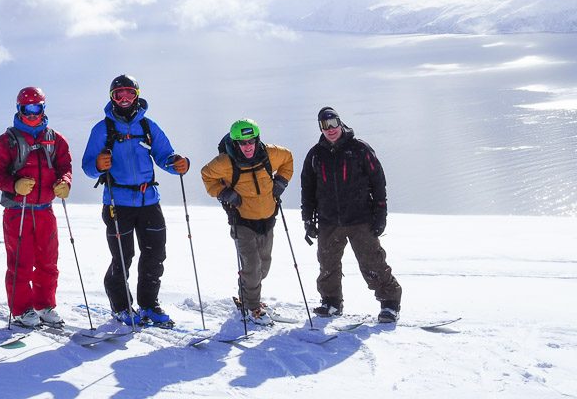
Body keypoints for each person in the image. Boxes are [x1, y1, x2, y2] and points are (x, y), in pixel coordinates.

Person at [81, 74, 190, 328]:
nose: (125, 99)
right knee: (123, 256)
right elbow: (88, 166)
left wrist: (178, 164)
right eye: (119, 95)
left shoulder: (149, 126)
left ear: (137, 95)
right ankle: (121, 307)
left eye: (129, 93)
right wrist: (97, 165)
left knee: (155, 255)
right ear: (112, 98)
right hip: (117, 203)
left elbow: (165, 155)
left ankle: (149, 305)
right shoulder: (102, 129)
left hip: (149, 201)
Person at [300, 106, 403, 323]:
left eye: (333, 123)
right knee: (327, 264)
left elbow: (378, 181)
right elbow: (307, 190)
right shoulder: (315, 155)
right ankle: (331, 302)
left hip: (360, 219)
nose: (330, 129)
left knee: (372, 262)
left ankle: (390, 304)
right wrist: (308, 219)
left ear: (340, 122)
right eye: (324, 125)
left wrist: (380, 214)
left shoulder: (359, 149)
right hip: (329, 221)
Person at [0, 87, 72, 327]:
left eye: (37, 108)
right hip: (17, 211)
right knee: (20, 262)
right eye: (27, 109)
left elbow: (65, 164)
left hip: (45, 210)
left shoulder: (55, 139)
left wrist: (65, 182)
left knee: (48, 261)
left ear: (43, 108)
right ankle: (22, 309)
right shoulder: (7, 141)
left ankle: (45, 305)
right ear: (19, 110)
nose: (32, 114)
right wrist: (14, 185)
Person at [200, 119, 294, 325]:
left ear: (257, 139)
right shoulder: (225, 162)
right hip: (242, 220)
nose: (248, 146)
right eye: (242, 143)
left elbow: (288, 159)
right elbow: (206, 175)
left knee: (264, 266)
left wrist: (281, 182)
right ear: (235, 143)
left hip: (268, 217)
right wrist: (225, 193)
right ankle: (253, 308)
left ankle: (246, 297)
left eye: (251, 141)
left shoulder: (270, 153)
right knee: (252, 266)